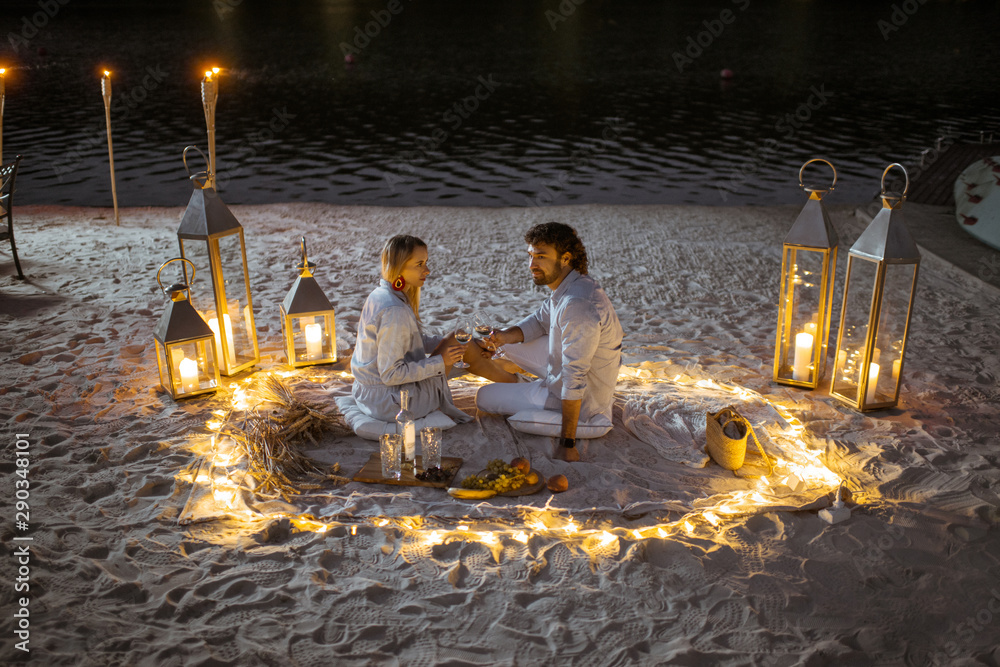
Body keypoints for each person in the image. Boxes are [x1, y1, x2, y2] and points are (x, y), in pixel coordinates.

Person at [470, 222, 623, 462]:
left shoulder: (577, 305)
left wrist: (568, 444)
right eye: (530, 255)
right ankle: (524, 383)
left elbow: (575, 376)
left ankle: (526, 389)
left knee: (483, 397)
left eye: (541, 257)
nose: (532, 264)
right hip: (563, 374)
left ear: (565, 258)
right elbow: (540, 321)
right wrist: (501, 338)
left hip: (586, 407)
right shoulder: (572, 284)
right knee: (506, 344)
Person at [351, 235, 471, 425]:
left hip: (368, 394)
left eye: (426, 262)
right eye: (419, 264)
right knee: (463, 349)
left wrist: (446, 343)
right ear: (399, 267)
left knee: (459, 340)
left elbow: (409, 340)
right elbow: (391, 374)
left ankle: (512, 380)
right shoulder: (394, 311)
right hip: (392, 404)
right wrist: (441, 361)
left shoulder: (381, 294)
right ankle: (515, 386)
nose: (427, 270)